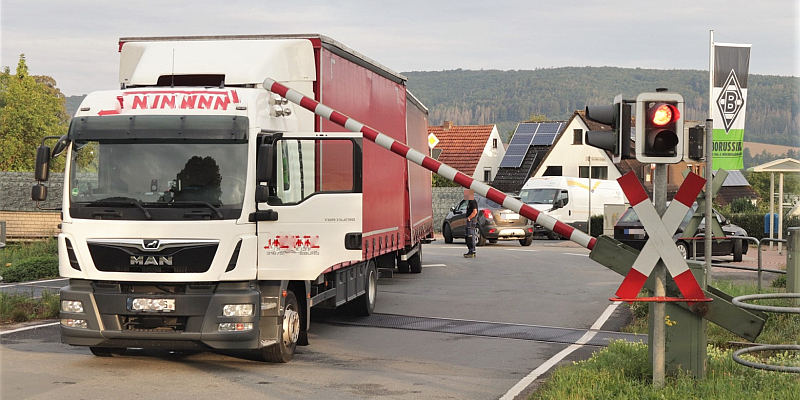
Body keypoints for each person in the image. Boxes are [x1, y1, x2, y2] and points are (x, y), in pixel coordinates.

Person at [463, 189, 479, 258]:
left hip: (472, 220)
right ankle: (470, 250)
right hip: (470, 220)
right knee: (468, 236)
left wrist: (469, 218)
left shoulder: (472, 201)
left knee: (470, 235)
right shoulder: (470, 201)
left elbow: (475, 211)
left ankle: (472, 251)